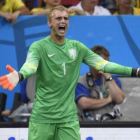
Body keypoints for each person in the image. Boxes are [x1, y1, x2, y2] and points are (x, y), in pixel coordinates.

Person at [0, 5, 140, 140]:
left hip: (68, 118)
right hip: (43, 117)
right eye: (58, 18)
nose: (63, 21)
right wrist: (19, 75)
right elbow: (30, 66)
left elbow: (105, 65)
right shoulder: (38, 46)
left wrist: (136, 71)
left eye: (66, 19)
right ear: (49, 23)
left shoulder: (77, 47)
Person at [75, 45, 125, 122]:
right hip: (90, 127)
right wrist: (108, 100)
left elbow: (119, 99)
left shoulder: (113, 80)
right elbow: (84, 103)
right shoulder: (80, 82)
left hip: (114, 125)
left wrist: (108, 78)